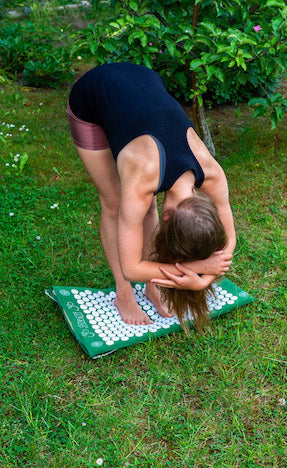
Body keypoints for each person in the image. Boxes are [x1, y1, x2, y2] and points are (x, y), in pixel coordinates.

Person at [66, 62, 236, 330]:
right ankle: (123, 295)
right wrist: (197, 271)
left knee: (146, 207)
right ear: (168, 217)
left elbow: (228, 243)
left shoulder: (212, 174)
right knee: (115, 203)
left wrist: (202, 277)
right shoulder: (142, 181)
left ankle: (152, 289)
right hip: (94, 95)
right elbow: (131, 267)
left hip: (144, 85)